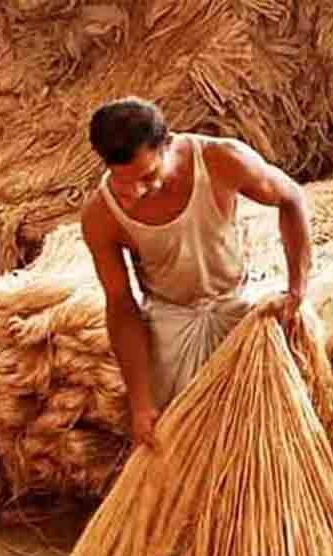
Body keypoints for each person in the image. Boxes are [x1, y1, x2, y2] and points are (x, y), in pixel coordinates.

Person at [81, 96, 312, 447]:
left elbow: (291, 198)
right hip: (170, 328)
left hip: (239, 312)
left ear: (167, 143)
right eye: (123, 180)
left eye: (148, 176)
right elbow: (120, 304)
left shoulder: (223, 160)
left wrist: (297, 289)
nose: (137, 190)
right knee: (184, 446)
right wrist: (140, 401)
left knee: (266, 438)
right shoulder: (102, 215)